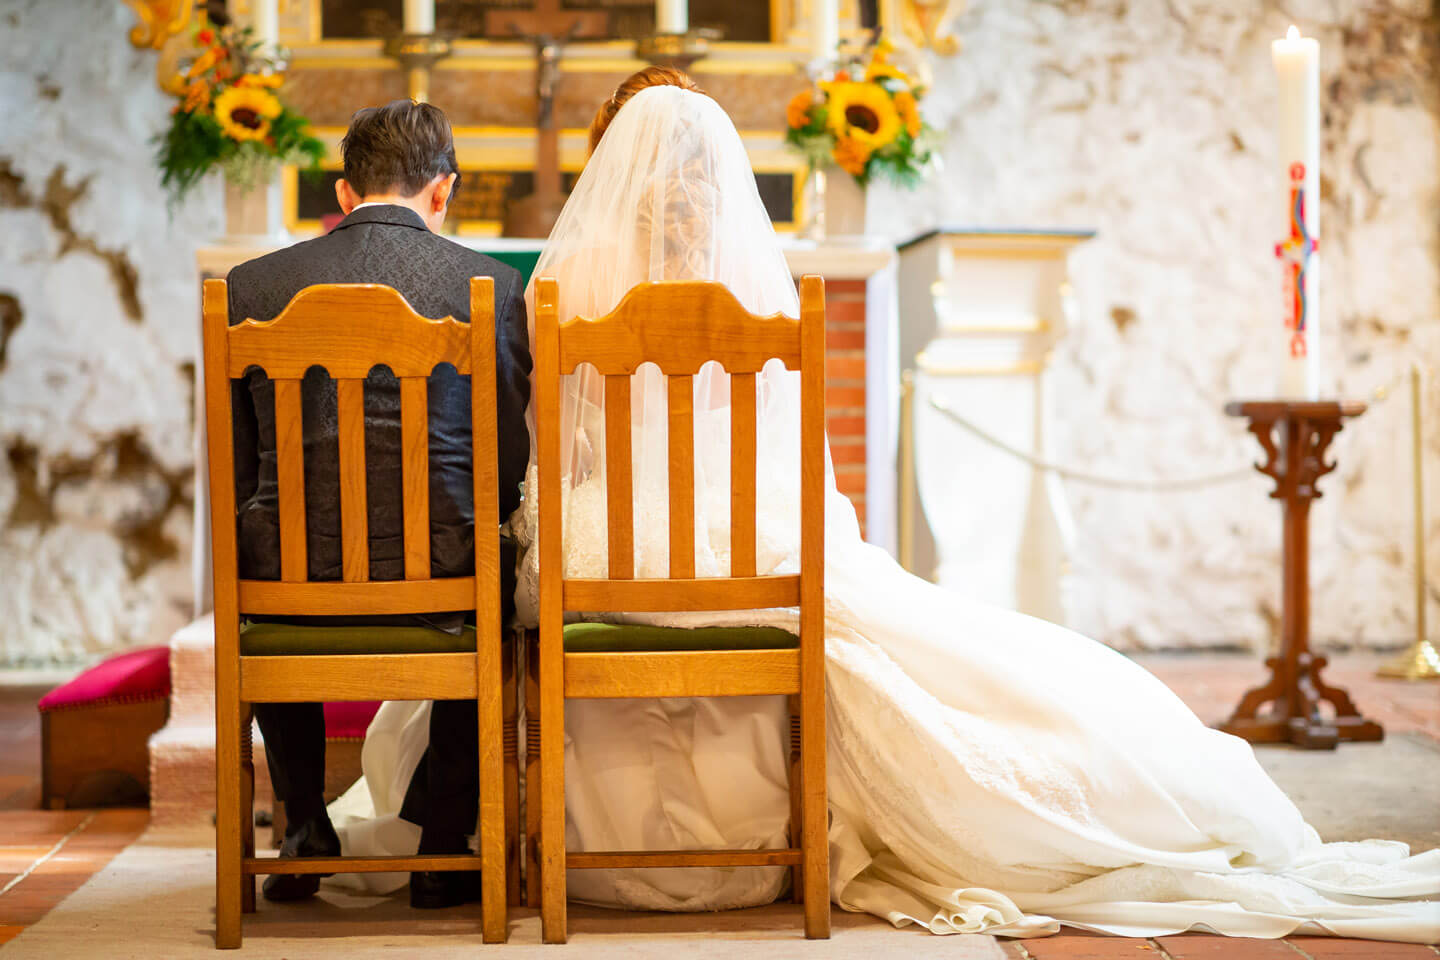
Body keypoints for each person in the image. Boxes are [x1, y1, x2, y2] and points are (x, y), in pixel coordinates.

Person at [338, 71, 1440, 941]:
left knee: (519, 590)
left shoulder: (552, 290)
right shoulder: (764, 295)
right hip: (754, 561)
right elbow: (793, 469)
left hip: (594, 562)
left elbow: (546, 451)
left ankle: (538, 845)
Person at [226, 99, 531, 909]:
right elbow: (507, 456)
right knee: (495, 566)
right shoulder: (492, 287)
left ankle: (302, 824)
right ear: (444, 192)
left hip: (284, 573)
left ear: (345, 191)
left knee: (258, 537)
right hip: (443, 568)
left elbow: (240, 460)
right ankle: (440, 848)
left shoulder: (252, 286)